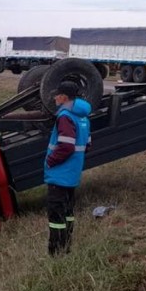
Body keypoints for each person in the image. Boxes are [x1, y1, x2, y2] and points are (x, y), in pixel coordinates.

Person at [44, 82, 92, 256]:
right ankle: (67, 247)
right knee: (68, 212)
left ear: (64, 97)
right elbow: (87, 145)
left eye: (57, 95)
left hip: (59, 175)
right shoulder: (83, 117)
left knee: (56, 216)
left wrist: (50, 161)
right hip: (72, 175)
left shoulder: (65, 116)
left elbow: (66, 146)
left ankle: (56, 253)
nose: (55, 98)